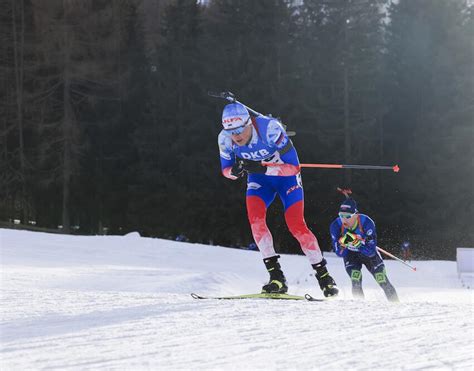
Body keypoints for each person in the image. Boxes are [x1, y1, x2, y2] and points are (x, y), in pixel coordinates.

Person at [217, 102, 338, 297]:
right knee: (255, 221)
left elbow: (294, 166)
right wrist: (235, 171)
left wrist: (264, 168)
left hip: (286, 178)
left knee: (296, 225)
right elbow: (226, 170)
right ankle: (276, 277)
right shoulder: (225, 139)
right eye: (231, 131)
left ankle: (324, 276)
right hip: (259, 181)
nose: (237, 135)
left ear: (249, 123)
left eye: (240, 129)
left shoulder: (270, 129)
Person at [329, 195, 399, 302]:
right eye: (341, 215)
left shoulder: (366, 222)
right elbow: (339, 252)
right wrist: (344, 243)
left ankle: (396, 304)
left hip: (368, 255)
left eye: (347, 216)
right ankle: (360, 306)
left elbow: (370, 250)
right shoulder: (336, 225)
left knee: (382, 279)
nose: (344, 219)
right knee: (355, 278)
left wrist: (359, 244)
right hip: (350, 254)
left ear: (356, 215)